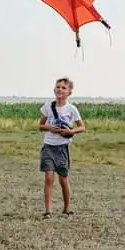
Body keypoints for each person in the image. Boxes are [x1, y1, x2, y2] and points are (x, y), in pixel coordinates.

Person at [37, 77, 85, 217]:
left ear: (69, 92)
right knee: (48, 178)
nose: (60, 89)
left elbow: (82, 127)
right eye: (58, 87)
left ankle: (67, 208)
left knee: (63, 178)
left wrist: (71, 132)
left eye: (64, 88)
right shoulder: (47, 107)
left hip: (62, 148)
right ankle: (48, 211)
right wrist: (50, 128)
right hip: (48, 147)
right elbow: (40, 125)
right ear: (54, 89)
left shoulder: (71, 109)